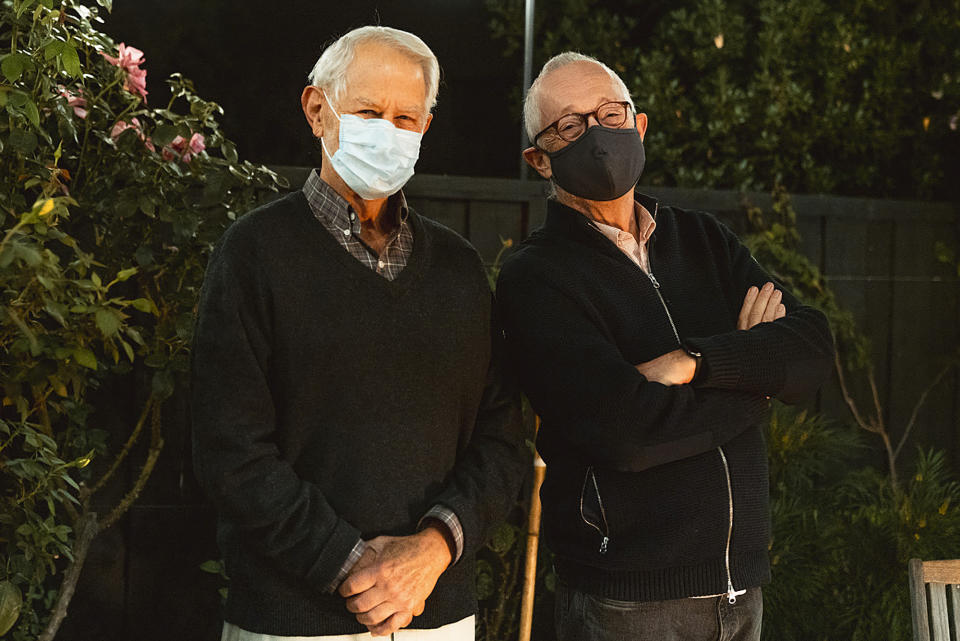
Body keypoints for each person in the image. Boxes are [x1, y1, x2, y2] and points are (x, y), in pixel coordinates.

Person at [191, 26, 526, 641]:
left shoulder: (459, 270)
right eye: (369, 112)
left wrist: (429, 551)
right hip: (292, 620)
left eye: (406, 117)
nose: (389, 130)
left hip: (437, 614)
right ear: (317, 110)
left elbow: (502, 442)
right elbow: (229, 449)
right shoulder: (255, 255)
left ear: (425, 128)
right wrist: (352, 564)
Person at [495, 52, 834, 641]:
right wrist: (755, 377)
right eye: (571, 126)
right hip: (627, 603)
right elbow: (623, 429)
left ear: (640, 125)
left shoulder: (703, 239)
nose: (598, 135)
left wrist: (696, 363)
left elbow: (812, 350)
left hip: (741, 592)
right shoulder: (536, 276)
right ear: (539, 159)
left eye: (610, 113)